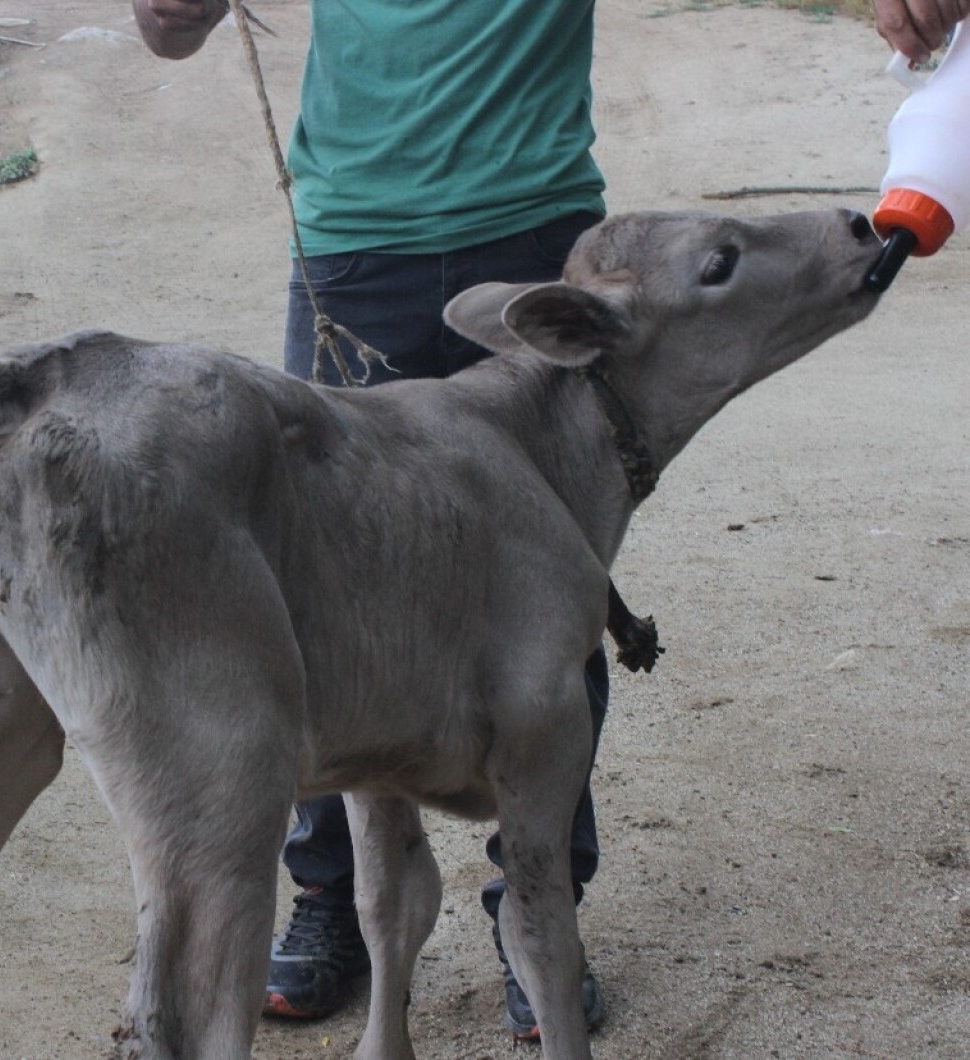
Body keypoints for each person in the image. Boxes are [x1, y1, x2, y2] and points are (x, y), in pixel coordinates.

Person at [131, 0, 964, 1041]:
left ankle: (535, 915)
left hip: (528, 222)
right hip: (356, 241)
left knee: (552, 589)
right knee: (325, 584)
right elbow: (166, 29)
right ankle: (327, 899)